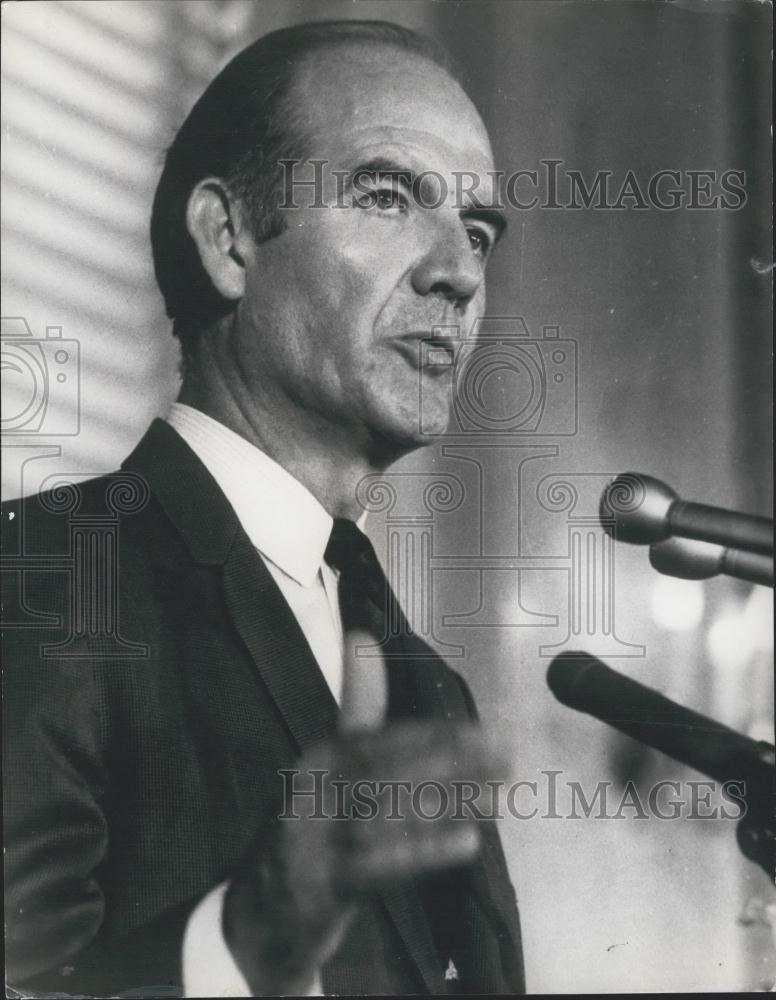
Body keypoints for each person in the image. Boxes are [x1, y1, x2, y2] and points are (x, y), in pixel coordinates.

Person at [3, 20, 524, 996]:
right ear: (229, 240)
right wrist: (252, 932)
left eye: (479, 229)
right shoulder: (39, 580)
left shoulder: (430, 686)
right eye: (385, 196)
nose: (458, 271)